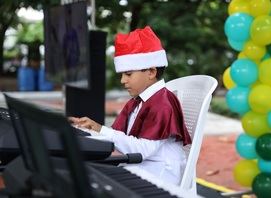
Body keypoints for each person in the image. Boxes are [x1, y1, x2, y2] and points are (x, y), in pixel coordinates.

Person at [69, 26, 192, 185]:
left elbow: (141, 151)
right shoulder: (138, 102)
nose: (122, 80)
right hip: (143, 167)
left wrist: (101, 129)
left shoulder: (163, 103)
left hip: (159, 175)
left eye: (128, 74)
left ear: (151, 72)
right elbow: (120, 137)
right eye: (122, 75)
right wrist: (89, 129)